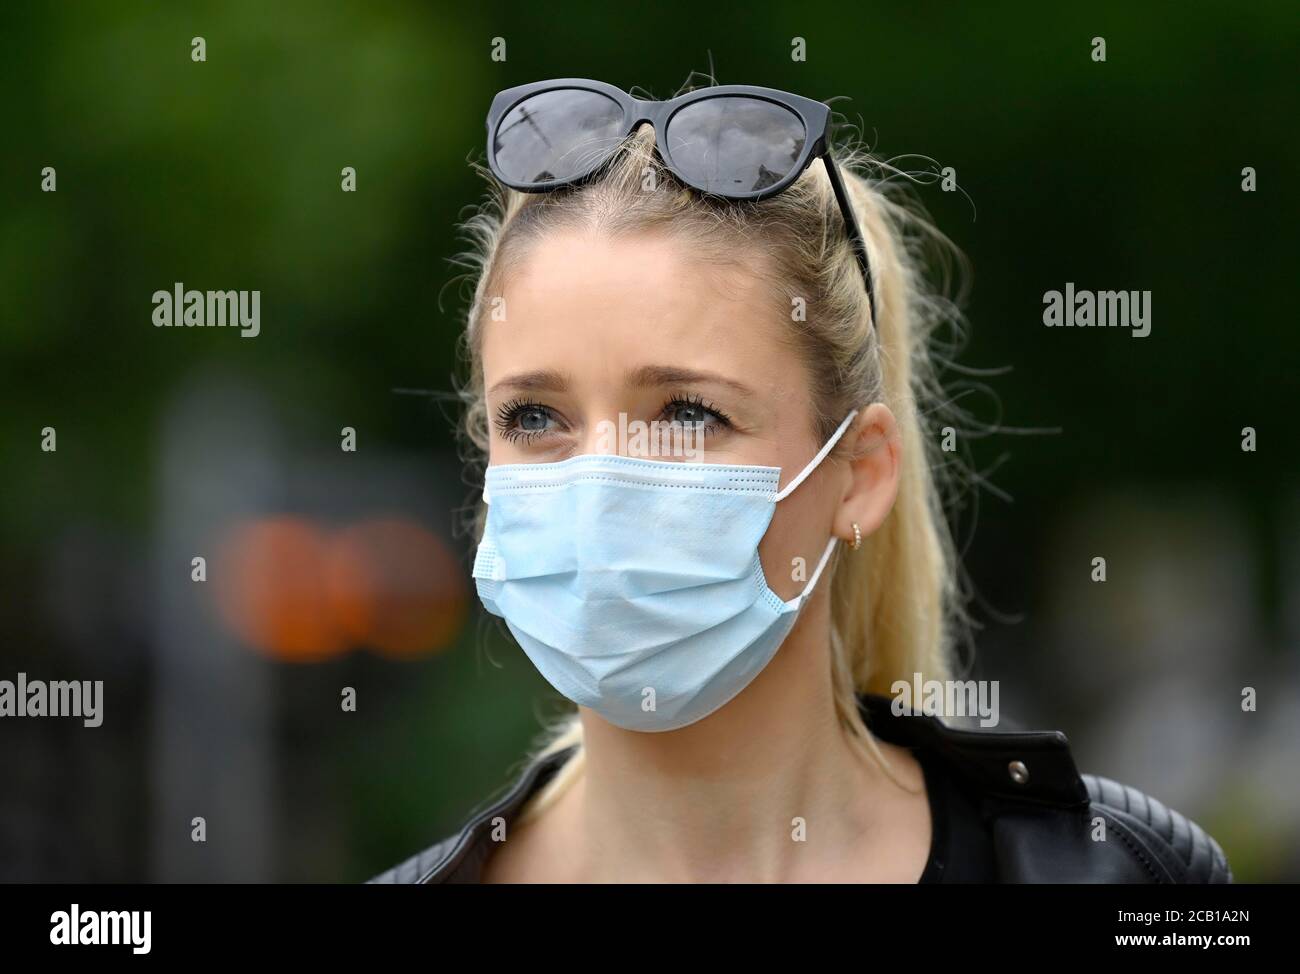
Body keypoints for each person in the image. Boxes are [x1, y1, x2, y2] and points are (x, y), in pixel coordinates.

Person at [370, 79, 1231, 883]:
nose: (601, 481)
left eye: (686, 414)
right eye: (535, 418)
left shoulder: (1122, 874)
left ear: (858, 476)